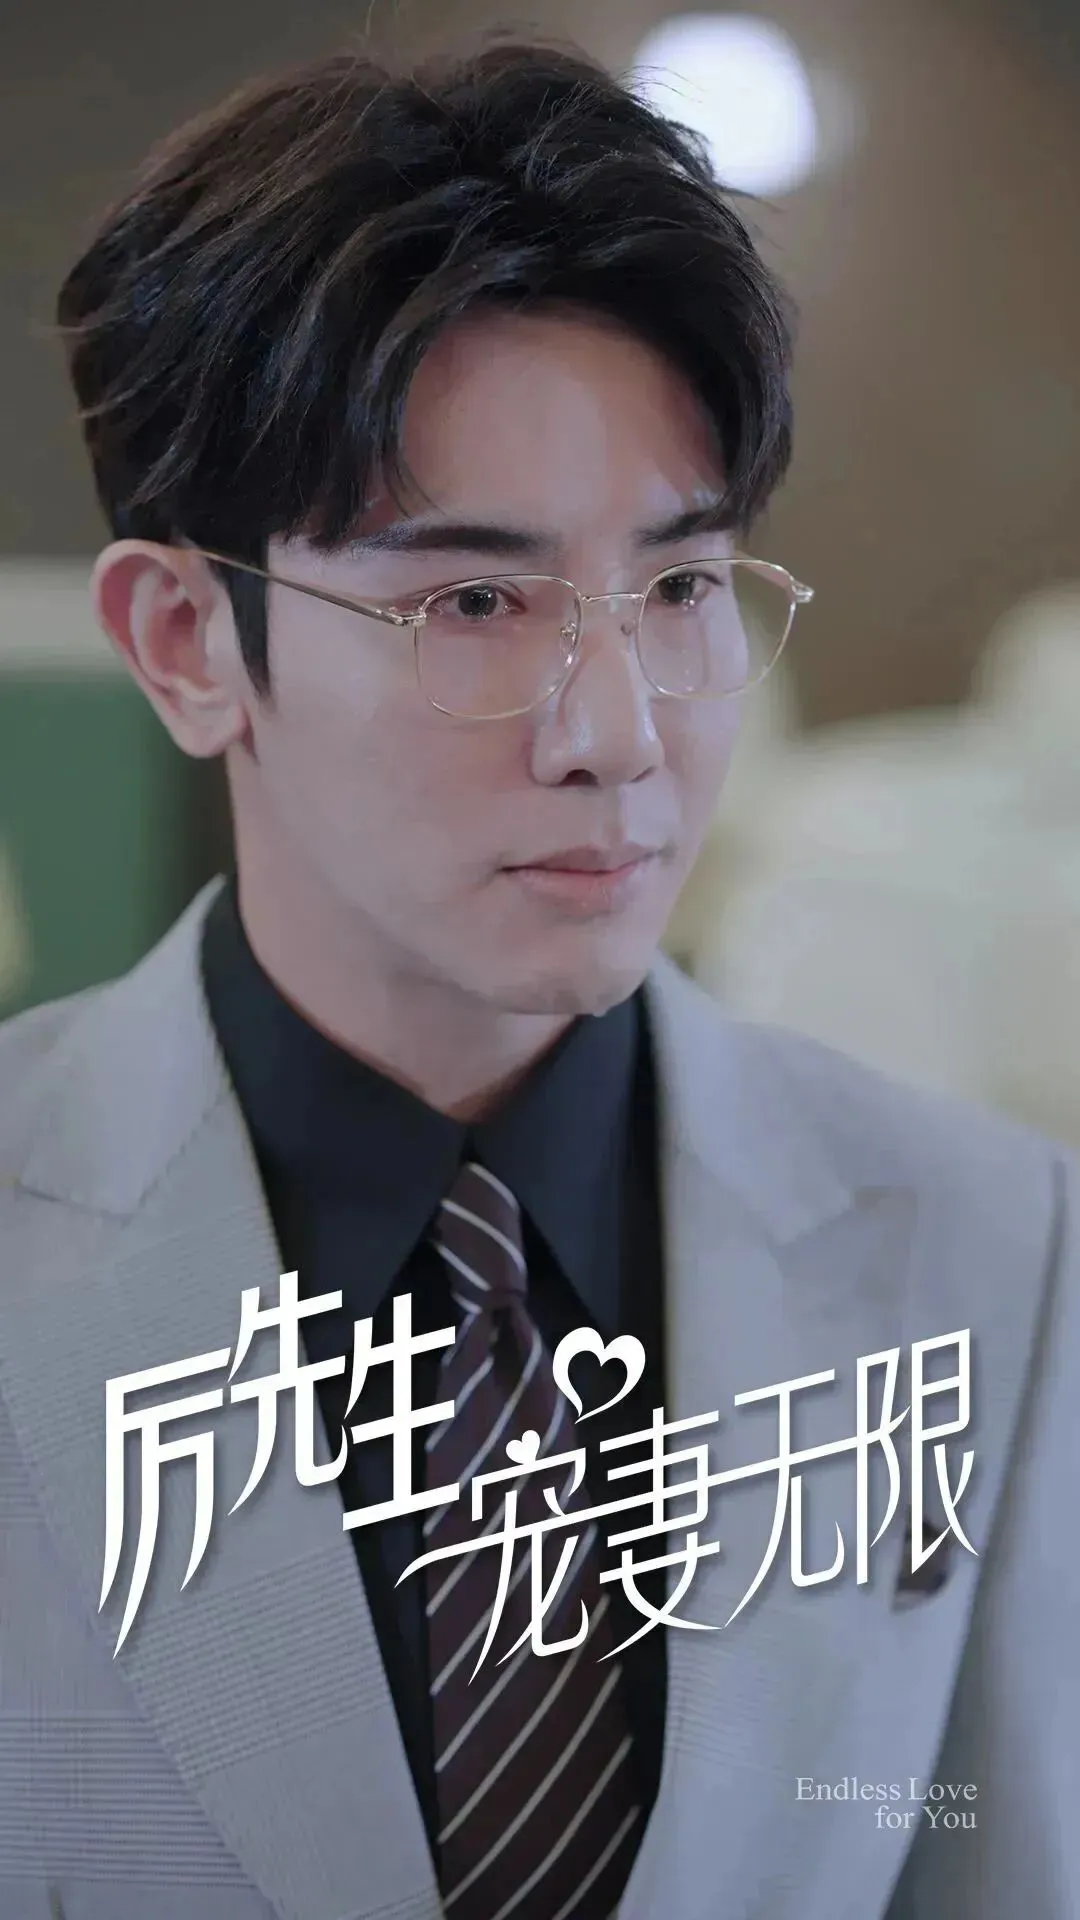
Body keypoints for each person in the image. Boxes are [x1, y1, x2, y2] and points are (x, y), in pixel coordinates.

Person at [0, 38, 1075, 1920]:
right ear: (187, 643)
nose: (620, 737)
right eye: (473, 602)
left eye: (681, 589)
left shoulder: (989, 1248)